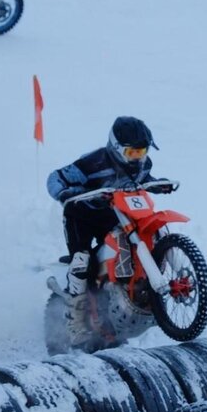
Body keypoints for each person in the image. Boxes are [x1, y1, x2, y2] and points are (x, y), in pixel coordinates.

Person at [46, 116, 161, 343]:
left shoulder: (144, 164)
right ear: (117, 148)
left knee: (134, 244)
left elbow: (144, 178)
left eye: (142, 152)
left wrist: (158, 183)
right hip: (82, 216)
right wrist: (64, 193)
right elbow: (55, 178)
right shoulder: (93, 162)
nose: (138, 158)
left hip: (115, 216)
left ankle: (139, 295)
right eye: (132, 153)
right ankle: (75, 322)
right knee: (81, 260)